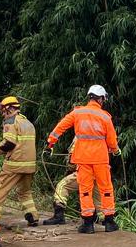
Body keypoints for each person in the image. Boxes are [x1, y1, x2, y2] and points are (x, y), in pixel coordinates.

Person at [46, 85, 120, 233]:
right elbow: (112, 140)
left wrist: (50, 143)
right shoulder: (105, 116)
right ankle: (109, 222)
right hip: (100, 158)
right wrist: (115, 150)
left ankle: (88, 224)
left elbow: (60, 127)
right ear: (100, 99)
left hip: (83, 158)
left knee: (85, 190)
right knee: (106, 189)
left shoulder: (77, 112)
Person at [0, 96, 39, 226]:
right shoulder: (27, 123)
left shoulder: (10, 122)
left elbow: (9, 144)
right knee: (24, 191)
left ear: (10, 109)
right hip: (30, 165)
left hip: (15, 164)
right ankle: (33, 216)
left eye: (3, 111)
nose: (3, 114)